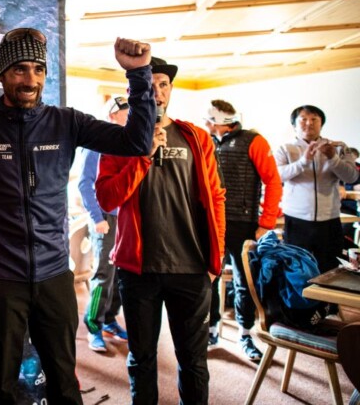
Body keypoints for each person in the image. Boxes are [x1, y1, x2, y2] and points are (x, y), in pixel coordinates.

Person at [0, 29, 156, 404]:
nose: (30, 80)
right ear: (1, 74)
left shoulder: (66, 122)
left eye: (38, 69)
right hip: (0, 279)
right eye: (19, 69)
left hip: (55, 274)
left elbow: (137, 143)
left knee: (64, 381)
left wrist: (139, 74)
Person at [95, 57, 225, 405]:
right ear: (133, 92)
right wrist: (144, 155)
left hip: (192, 268)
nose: (156, 92)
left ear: (170, 90)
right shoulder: (119, 141)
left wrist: (216, 258)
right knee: (142, 359)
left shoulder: (196, 137)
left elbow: (215, 197)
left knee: (193, 361)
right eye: (148, 85)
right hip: (139, 271)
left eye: (163, 84)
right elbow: (107, 197)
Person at [203, 99, 282, 362]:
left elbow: (273, 181)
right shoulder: (206, 142)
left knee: (244, 281)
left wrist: (266, 223)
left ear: (219, 120)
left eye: (209, 119)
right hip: (211, 223)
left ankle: (245, 334)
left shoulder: (253, 141)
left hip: (242, 223)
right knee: (209, 278)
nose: (206, 122)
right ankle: (211, 329)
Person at [274, 105, 359, 273]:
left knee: (330, 268)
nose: (309, 123)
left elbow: (351, 177)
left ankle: (327, 292)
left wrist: (332, 158)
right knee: (297, 268)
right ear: (294, 125)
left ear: (321, 124)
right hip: (296, 219)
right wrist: (303, 162)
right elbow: (277, 176)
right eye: (303, 119)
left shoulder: (338, 147)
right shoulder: (285, 148)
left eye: (314, 119)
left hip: (330, 218)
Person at [78, 96, 131, 353]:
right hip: (105, 219)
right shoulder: (96, 143)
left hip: (125, 218)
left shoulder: (127, 142)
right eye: (126, 112)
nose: (131, 116)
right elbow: (84, 184)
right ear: (113, 115)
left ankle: (110, 319)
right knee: (103, 275)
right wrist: (97, 218)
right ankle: (93, 326)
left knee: (120, 274)